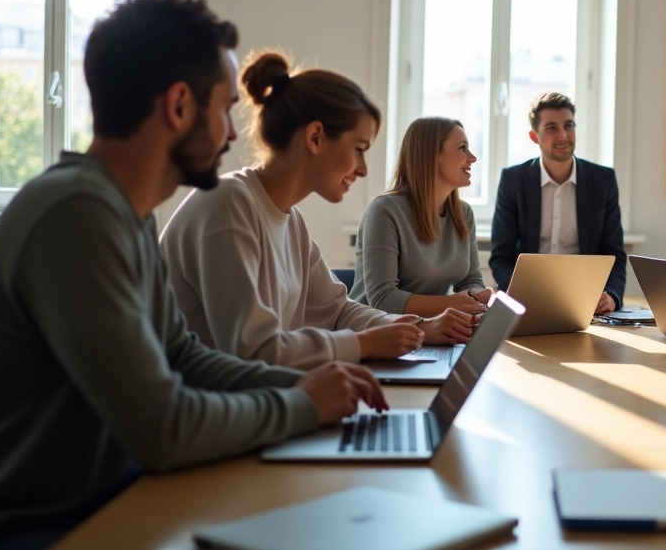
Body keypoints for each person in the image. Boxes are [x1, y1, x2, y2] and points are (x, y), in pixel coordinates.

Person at [0, 0, 387, 550]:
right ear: (179, 106)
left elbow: (183, 355)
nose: (231, 131)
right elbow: (162, 427)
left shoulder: (122, 215)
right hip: (23, 542)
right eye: (222, 109)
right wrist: (301, 406)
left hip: (100, 504)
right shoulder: (77, 215)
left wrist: (297, 388)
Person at [160, 51, 476, 370]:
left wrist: (419, 328)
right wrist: (364, 343)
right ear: (314, 138)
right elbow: (252, 350)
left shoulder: (290, 219)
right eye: (359, 150)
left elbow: (338, 311)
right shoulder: (228, 205)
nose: (363, 169)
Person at [489, 93, 627, 314]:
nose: (563, 135)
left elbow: (614, 254)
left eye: (569, 125)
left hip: (587, 302)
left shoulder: (603, 180)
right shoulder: (513, 180)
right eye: (552, 127)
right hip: (528, 299)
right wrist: (520, 295)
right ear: (535, 136)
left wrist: (611, 295)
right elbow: (501, 256)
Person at [350, 117, 493, 319]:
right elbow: (383, 299)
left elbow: (471, 279)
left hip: (430, 330)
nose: (472, 158)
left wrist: (478, 296)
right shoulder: (384, 212)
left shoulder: (464, 213)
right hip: (375, 331)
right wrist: (453, 304)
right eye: (462, 148)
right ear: (432, 155)